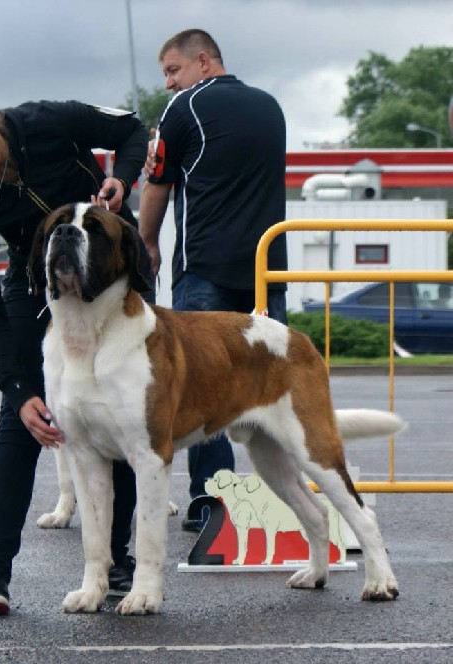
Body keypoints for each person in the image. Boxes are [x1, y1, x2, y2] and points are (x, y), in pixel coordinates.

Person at [0, 61, 148, 615]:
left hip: (112, 267)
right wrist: (17, 389)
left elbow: (132, 129)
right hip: (35, 277)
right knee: (17, 418)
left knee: (120, 416)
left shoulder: (46, 121)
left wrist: (124, 177)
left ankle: (117, 566)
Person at [139, 29, 288, 532]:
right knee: (278, 388)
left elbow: (157, 180)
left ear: (203, 62)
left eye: (172, 70)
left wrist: (149, 244)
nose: (167, 83)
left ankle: (212, 500)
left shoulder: (184, 109)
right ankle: (289, 499)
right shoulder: (271, 107)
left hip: (205, 268)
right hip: (269, 269)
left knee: (201, 385)